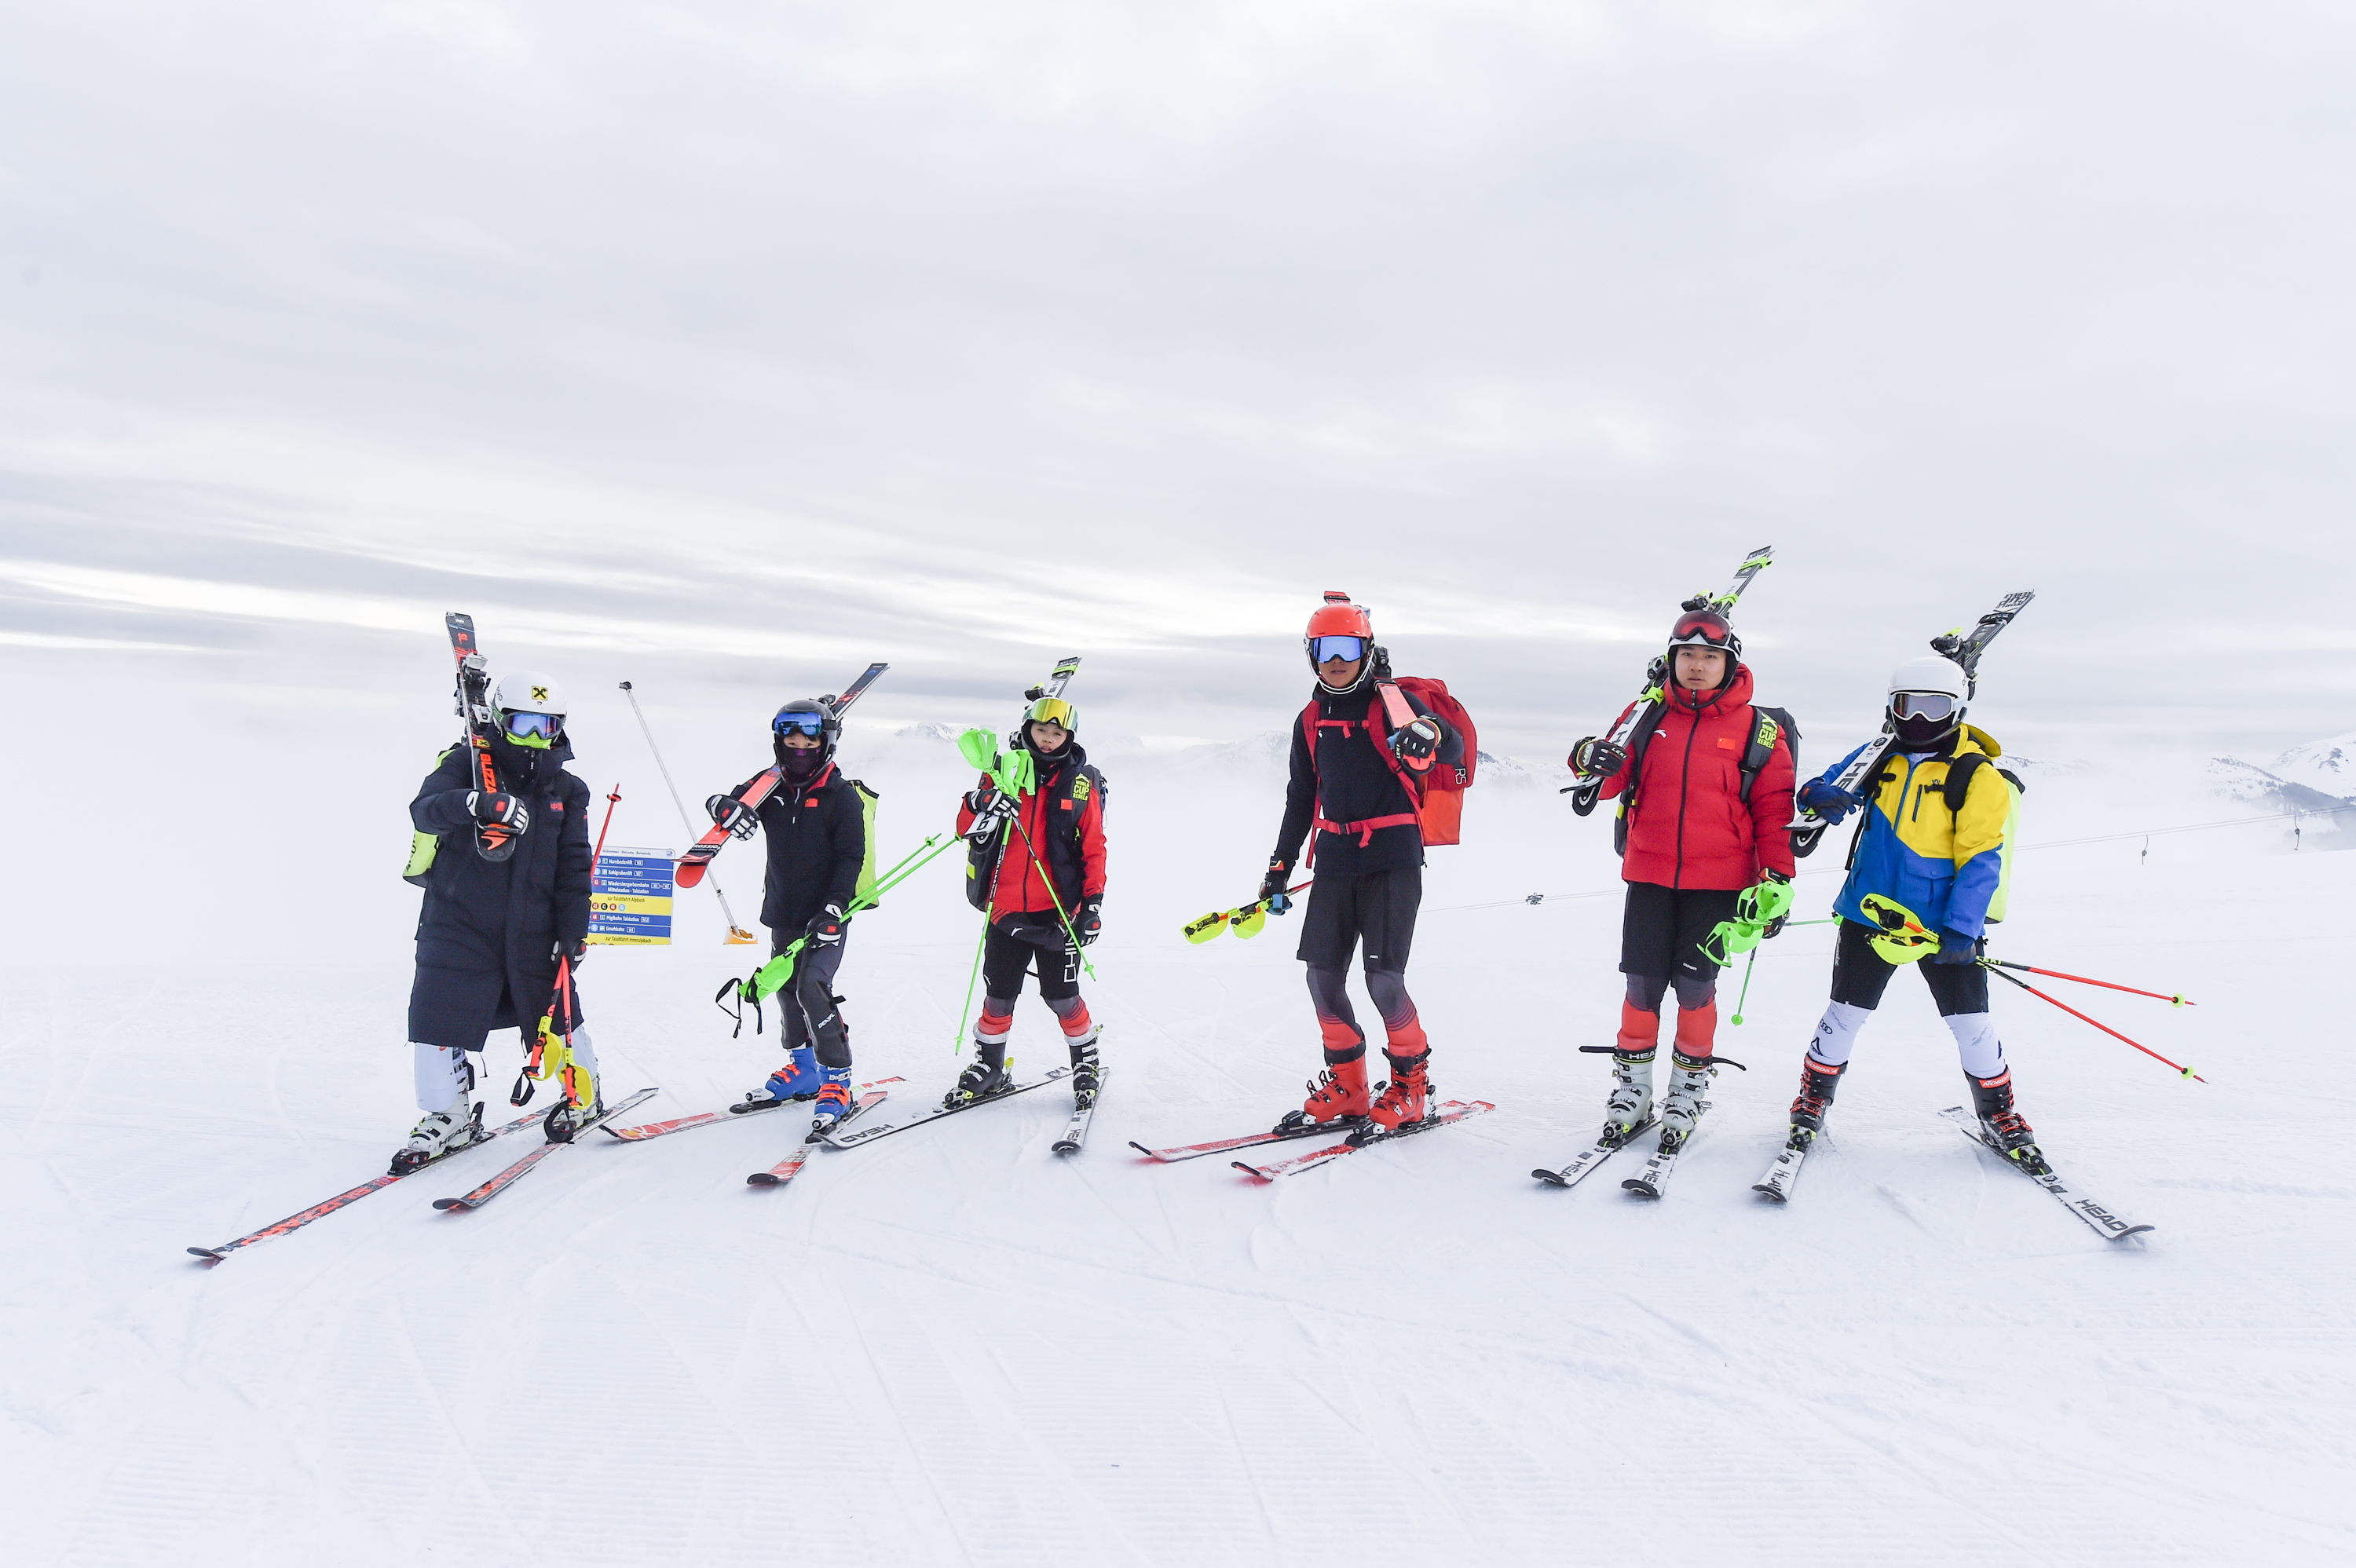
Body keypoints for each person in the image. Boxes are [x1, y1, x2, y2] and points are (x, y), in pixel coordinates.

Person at [1782, 653, 2038, 1165]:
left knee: (1972, 1023)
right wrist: (1820, 793)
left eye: (1933, 706)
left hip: (1941, 925)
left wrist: (1963, 929)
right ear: (1892, 706)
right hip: (1869, 913)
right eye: (1907, 705)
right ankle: (1813, 1099)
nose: (1918, 719)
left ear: (1957, 709)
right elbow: (1821, 785)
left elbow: (1982, 858)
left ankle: (1999, 1111)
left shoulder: (1976, 774)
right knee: (1844, 1014)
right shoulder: (1881, 753)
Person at [1568, 605, 1796, 1148]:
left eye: (1709, 656)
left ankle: (1688, 1089)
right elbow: (1605, 777)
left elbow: (1774, 811)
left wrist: (1778, 880)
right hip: (1649, 873)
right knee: (1642, 985)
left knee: (1695, 987)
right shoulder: (1647, 713)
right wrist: (1585, 756)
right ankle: (1633, 1089)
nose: (1697, 665)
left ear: (1729, 663)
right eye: (1687, 655)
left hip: (1720, 882)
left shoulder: (1759, 729)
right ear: (1671, 659)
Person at [1260, 593, 1462, 1135]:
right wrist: (1279, 867)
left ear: (1366, 648)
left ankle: (1411, 1087)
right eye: (1324, 647)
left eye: (1347, 646)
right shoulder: (1311, 718)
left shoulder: (1392, 703)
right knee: (1322, 977)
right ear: (1311, 653)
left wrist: (1431, 733)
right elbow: (1301, 798)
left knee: (1384, 980)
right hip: (1334, 860)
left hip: (1394, 859)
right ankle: (1350, 1086)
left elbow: (1454, 746)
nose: (1336, 658)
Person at [398, 671, 595, 1171]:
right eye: (525, 723)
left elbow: (575, 865)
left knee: (554, 1017)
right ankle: (447, 1114)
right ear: (502, 721)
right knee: (439, 1017)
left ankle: (582, 1094)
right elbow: (425, 810)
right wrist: (475, 803)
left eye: (548, 726)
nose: (536, 738)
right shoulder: (464, 763)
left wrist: (574, 931)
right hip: (458, 920)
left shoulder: (568, 790)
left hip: (536, 929)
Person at [708, 696, 870, 1135]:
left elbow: (851, 857)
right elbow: (731, 801)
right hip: (783, 910)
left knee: (812, 987)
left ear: (826, 742)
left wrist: (835, 907)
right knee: (784, 989)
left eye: (809, 737)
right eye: (790, 736)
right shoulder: (771, 786)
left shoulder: (842, 796)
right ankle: (803, 1069)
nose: (799, 745)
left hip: (828, 914)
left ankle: (837, 1080)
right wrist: (721, 806)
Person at [951, 696, 1108, 1110]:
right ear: (1027, 730)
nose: (1049, 740)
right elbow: (963, 829)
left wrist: (1092, 904)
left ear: (1069, 738)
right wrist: (978, 803)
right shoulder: (1002, 771)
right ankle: (990, 1066)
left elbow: (1094, 846)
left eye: (1058, 733)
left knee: (1061, 997)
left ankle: (1086, 1062)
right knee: (998, 995)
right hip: (1005, 911)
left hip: (1060, 913)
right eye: (1042, 731)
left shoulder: (1080, 783)